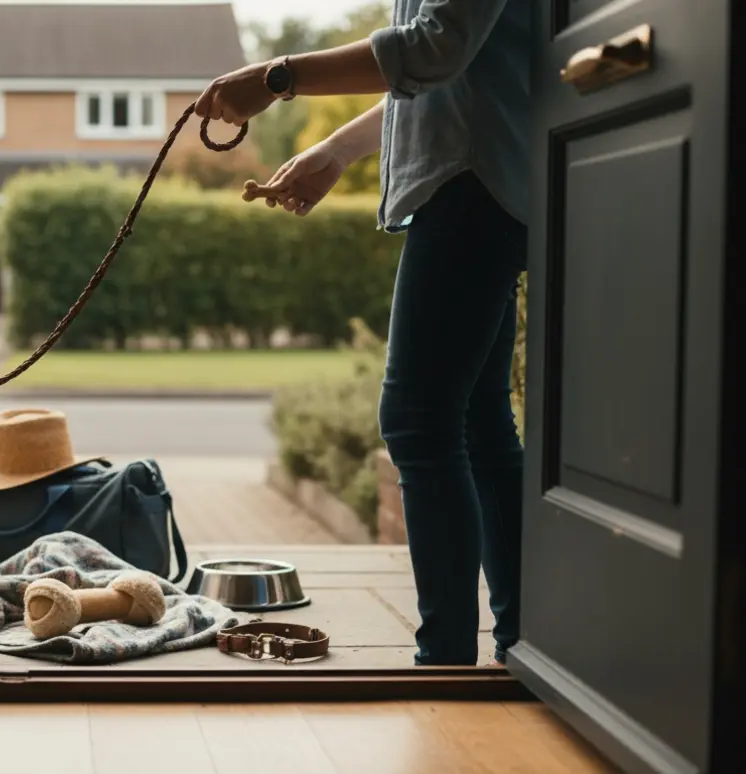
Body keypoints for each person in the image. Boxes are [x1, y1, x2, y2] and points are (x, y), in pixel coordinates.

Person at [196, 0, 530, 667]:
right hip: (484, 181)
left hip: (471, 185)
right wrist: (336, 149)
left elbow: (435, 47)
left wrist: (274, 77)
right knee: (478, 426)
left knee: (417, 421)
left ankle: (447, 663)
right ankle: (523, 643)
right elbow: (448, 70)